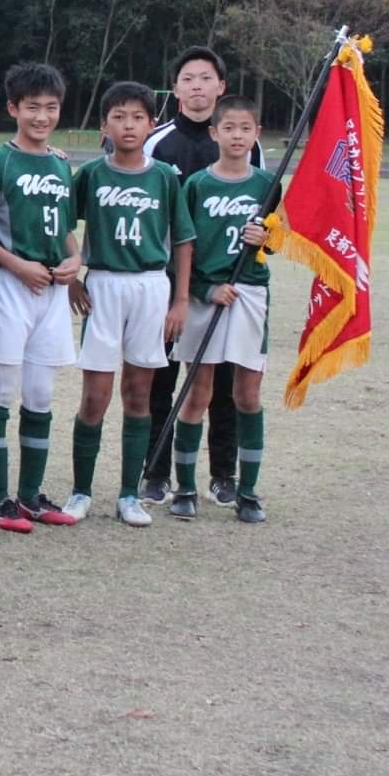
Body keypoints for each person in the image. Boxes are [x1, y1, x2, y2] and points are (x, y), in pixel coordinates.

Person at [67, 82, 194, 528]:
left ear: (151, 124)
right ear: (104, 125)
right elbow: (64, 224)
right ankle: (81, 491)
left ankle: (128, 494)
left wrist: (179, 301)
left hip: (150, 287)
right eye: (119, 116)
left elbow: (182, 239)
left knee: (138, 393)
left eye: (138, 117)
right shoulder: (92, 175)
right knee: (95, 396)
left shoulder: (163, 177)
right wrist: (71, 278)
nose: (128, 125)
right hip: (103, 285)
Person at [141, 46, 263, 507]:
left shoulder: (248, 151)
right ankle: (155, 470)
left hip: (224, 285)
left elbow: (262, 222)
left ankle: (223, 473)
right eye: (188, 78)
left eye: (206, 78)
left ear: (221, 86)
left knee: (226, 381)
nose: (197, 86)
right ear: (175, 89)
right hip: (169, 280)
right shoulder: (159, 142)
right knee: (162, 375)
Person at [0, 63, 82, 533]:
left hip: (52, 292)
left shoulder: (60, 162)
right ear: (13, 108)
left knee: (40, 393)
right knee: (0, 391)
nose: (42, 116)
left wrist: (76, 262)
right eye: (32, 107)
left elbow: (68, 231)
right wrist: (17, 265)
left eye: (51, 107)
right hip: (11, 289)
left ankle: (31, 495)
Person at [170, 96, 274, 524]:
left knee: (247, 393)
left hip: (249, 294)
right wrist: (203, 289)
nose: (236, 136)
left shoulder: (268, 184)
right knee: (199, 391)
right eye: (228, 128)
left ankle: (247, 491)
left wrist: (264, 237)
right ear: (214, 133)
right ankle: (185, 488)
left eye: (244, 129)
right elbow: (184, 246)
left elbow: (281, 242)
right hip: (204, 297)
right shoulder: (197, 185)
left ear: (256, 134)